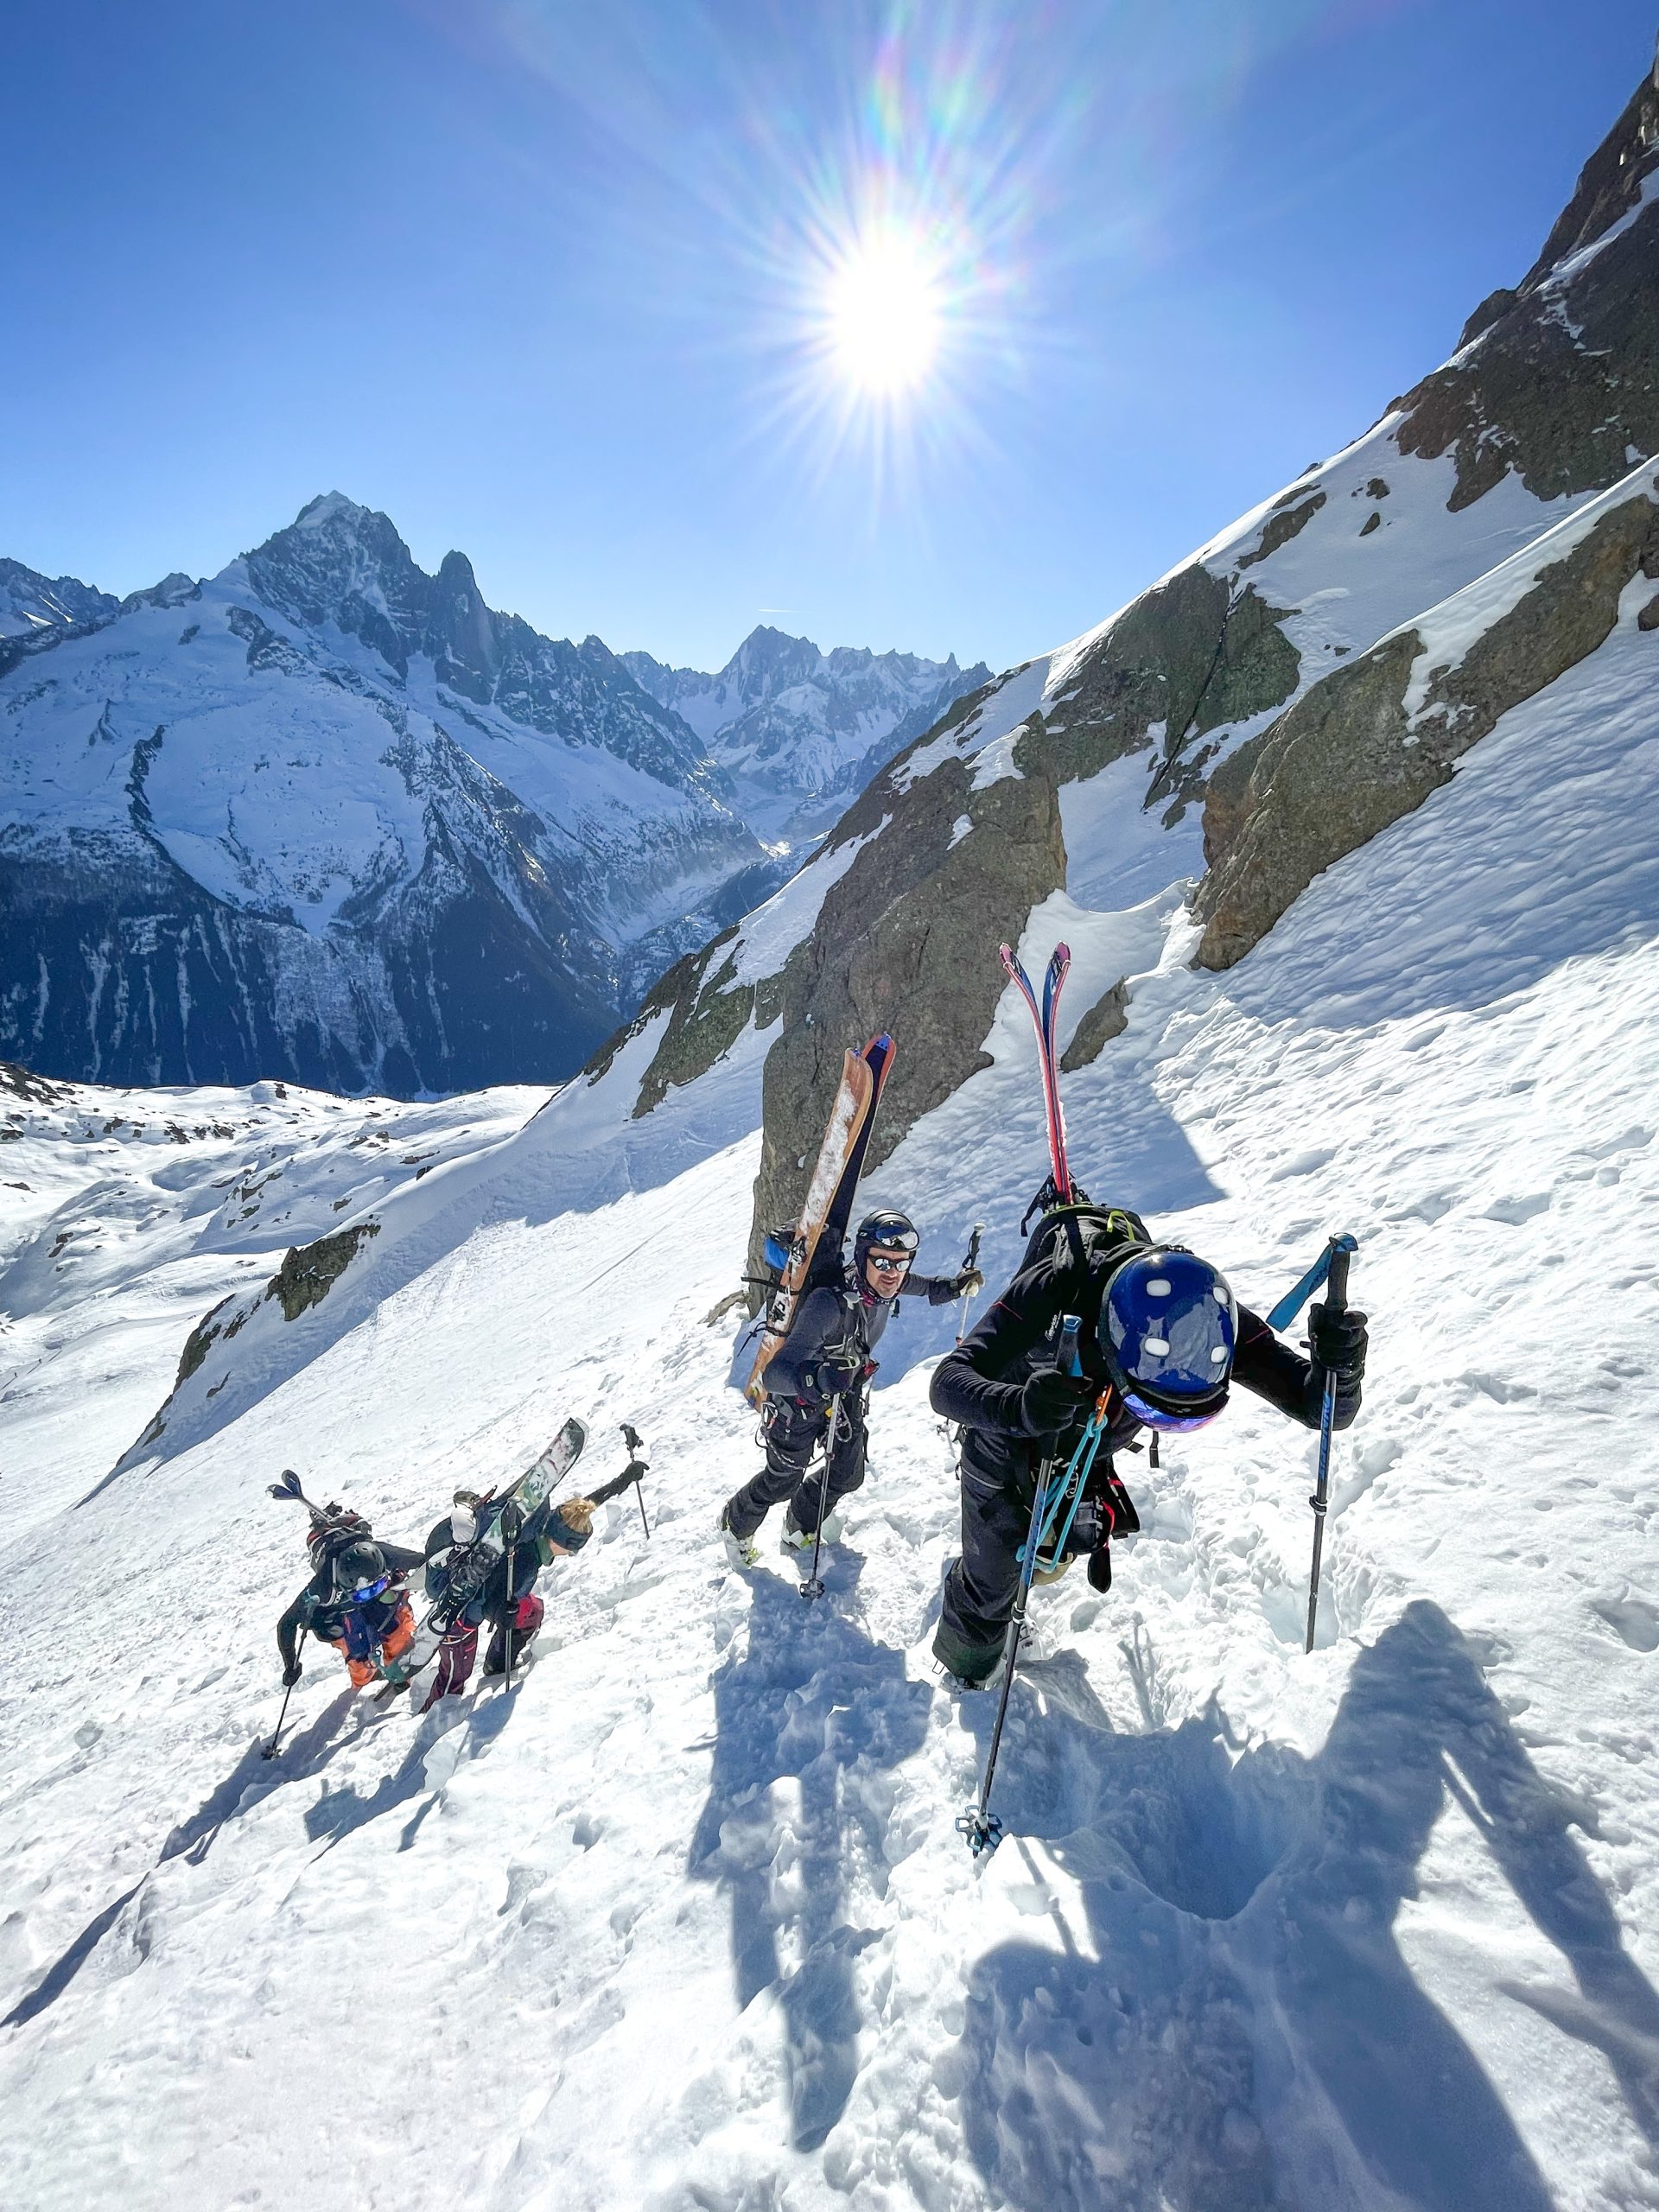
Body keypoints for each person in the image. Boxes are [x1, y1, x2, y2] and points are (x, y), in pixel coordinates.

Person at [928, 1206, 1369, 1685]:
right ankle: (966, 1671)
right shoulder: (1057, 1287)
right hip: (1009, 1431)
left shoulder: (1203, 1312)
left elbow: (1321, 1410)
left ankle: (1010, 1588)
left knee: (1057, 1542)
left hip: (1086, 1433)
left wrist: (1339, 1372)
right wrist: (1019, 1408)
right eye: (1150, 1409)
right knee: (995, 1563)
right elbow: (947, 1383)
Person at [721, 1209, 985, 1566]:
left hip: (844, 1393)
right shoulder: (828, 1303)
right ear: (863, 1258)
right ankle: (734, 1524)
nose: (892, 1273)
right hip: (797, 1406)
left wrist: (951, 1287)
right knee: (782, 1480)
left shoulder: (882, 1284)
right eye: (882, 1262)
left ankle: (800, 1523)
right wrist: (818, 1378)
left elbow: (916, 1285)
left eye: (900, 1263)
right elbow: (774, 1375)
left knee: (848, 1472)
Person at [276, 1508, 429, 1690]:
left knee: (396, 1630)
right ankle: (367, 1675)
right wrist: (290, 1664)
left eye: (377, 1585)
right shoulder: (323, 1587)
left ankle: (398, 1660)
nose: (367, 1595)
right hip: (341, 1613)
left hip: (372, 1601)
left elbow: (423, 1562)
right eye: (361, 1594)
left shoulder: (383, 1554)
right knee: (358, 1652)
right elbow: (287, 1623)